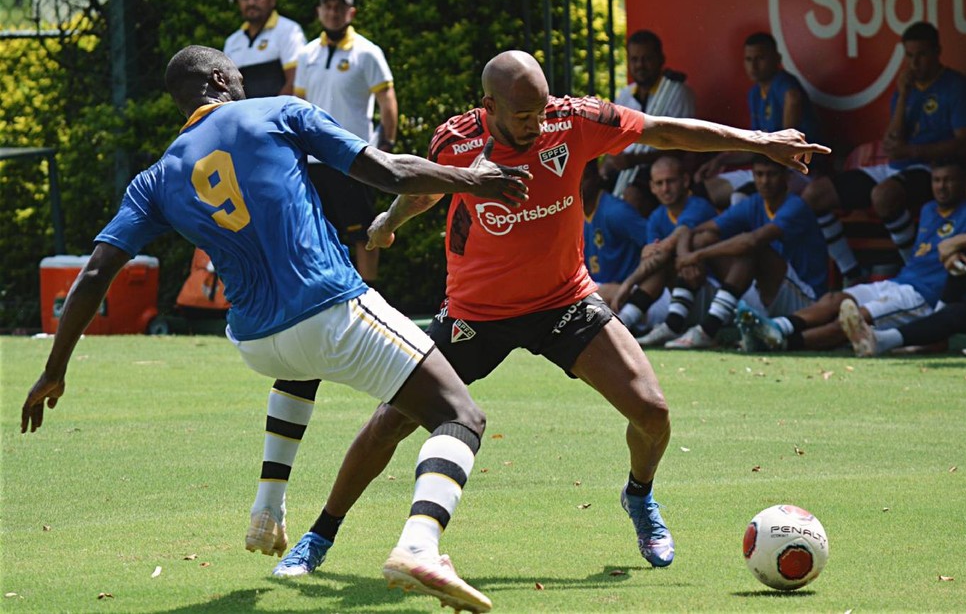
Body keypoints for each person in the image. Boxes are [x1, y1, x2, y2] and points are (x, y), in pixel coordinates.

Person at [268, 50, 830, 577]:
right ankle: (319, 536)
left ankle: (639, 495)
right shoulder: (457, 140)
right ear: (488, 108)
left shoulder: (574, 120)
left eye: (540, 110)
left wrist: (760, 141)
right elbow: (425, 190)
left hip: (564, 302)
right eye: (522, 115)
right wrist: (390, 222)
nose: (536, 124)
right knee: (391, 421)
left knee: (653, 413)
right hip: (475, 315)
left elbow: (662, 130)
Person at [21, 45, 532, 613]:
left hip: (256, 342)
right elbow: (388, 171)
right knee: (460, 416)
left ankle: (268, 506)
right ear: (219, 78)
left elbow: (93, 274)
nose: (244, 81)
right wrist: (476, 180)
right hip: (330, 309)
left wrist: (54, 368)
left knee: (301, 365)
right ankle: (419, 546)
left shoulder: (157, 176)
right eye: (236, 74)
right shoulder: (279, 111)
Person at [738, 158, 966, 353]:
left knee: (854, 319)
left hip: (922, 297)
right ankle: (778, 327)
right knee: (834, 299)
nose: (942, 187)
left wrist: (942, 311)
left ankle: (783, 343)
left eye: (949, 180)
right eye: (937, 180)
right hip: (898, 282)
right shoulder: (929, 209)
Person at [802, 21, 966, 281]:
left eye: (921, 55)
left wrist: (914, 152)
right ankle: (852, 272)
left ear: (938, 51)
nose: (914, 63)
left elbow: (965, 142)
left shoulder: (954, 85)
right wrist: (904, 95)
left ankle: (915, 272)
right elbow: (892, 141)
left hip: (932, 168)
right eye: (909, 56)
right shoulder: (905, 88)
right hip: (894, 166)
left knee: (883, 196)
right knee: (814, 194)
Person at [659, 156, 829, 350]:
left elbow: (752, 241)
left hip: (806, 299)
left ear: (787, 177)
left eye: (771, 174)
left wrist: (696, 256)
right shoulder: (755, 202)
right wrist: (685, 254)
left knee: (750, 247)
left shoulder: (795, 206)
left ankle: (707, 329)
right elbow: (696, 231)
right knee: (704, 240)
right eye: (759, 174)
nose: (764, 181)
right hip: (764, 294)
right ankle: (673, 324)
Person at [295, 0, 396, 286]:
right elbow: (299, 105)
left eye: (340, 7)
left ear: (351, 13)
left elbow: (387, 98)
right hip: (313, 158)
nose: (333, 12)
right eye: (328, 6)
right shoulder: (306, 53)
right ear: (319, 12)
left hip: (354, 156)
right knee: (316, 232)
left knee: (363, 231)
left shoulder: (368, 52)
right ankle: (326, 296)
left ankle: (371, 297)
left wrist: (388, 142)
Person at [840, 213, 966, 357]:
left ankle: (932, 333)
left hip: (918, 291)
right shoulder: (929, 208)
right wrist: (961, 246)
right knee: (956, 312)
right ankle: (882, 341)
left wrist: (961, 241)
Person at [693, 32, 825, 210]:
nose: (753, 65)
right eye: (748, 59)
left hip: (797, 171)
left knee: (741, 198)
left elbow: (792, 103)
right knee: (703, 191)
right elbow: (755, 146)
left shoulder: (785, 85)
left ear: (777, 58)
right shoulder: (755, 93)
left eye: (760, 58)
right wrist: (720, 160)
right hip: (765, 169)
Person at [611, 154, 718, 343]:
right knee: (657, 265)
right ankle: (622, 326)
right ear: (652, 187)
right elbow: (653, 258)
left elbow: (667, 248)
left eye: (670, 181)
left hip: (711, 291)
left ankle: (665, 326)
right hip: (677, 295)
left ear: (685, 181)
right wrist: (649, 253)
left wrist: (628, 284)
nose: (665, 189)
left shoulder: (699, 206)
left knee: (674, 255)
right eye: (659, 183)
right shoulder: (656, 217)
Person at [602, 29, 697, 216]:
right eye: (634, 59)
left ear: (661, 59)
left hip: (658, 171)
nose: (640, 65)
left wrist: (636, 160)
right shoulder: (625, 95)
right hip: (625, 169)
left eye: (647, 59)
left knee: (631, 197)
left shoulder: (677, 92)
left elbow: (683, 146)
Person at [223, 0, 305, 98]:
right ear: (239, 1)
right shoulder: (232, 42)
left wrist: (271, 115)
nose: (251, 2)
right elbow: (227, 89)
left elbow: (296, 81)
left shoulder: (289, 31)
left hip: (279, 116)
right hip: (244, 116)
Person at [582, 157, 649, 305]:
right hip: (601, 292)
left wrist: (635, 281)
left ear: (597, 177)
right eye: (573, 181)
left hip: (634, 294)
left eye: (584, 179)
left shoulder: (615, 211)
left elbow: (656, 245)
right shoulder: (576, 218)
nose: (578, 186)